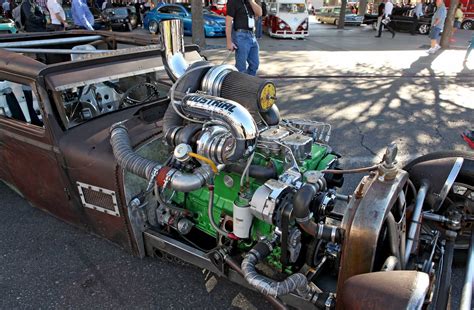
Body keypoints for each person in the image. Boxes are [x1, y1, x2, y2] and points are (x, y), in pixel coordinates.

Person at [226, 0, 262, 76]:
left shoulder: (250, 2)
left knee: (255, 64)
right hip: (241, 36)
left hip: (252, 36)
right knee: (241, 67)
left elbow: (259, 13)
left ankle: (248, 84)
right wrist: (229, 42)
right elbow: (228, 22)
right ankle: (240, 86)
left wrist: (251, 1)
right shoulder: (233, 1)